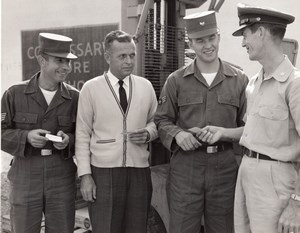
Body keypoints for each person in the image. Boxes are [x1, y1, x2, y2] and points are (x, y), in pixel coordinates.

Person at [197, 4, 300, 233]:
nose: (243, 43)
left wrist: (297, 203)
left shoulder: (295, 84)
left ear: (261, 33)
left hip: (276, 180)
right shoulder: (253, 83)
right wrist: (223, 132)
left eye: (245, 35)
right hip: (247, 173)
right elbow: (255, 132)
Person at [154, 11, 248, 233]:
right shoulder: (175, 81)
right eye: (200, 40)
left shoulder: (239, 80)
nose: (207, 45)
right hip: (186, 168)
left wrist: (225, 133)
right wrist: (178, 134)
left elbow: (250, 128)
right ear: (190, 43)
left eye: (211, 38)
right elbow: (161, 120)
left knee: (224, 228)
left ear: (218, 37)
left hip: (225, 167)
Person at [75, 30, 158, 233]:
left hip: (139, 171)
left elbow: (157, 122)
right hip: (103, 173)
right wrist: (85, 175)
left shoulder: (146, 86)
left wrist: (148, 133)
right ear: (107, 57)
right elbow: (82, 134)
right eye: (122, 56)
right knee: (106, 228)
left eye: (131, 55)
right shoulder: (91, 88)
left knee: (137, 228)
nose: (129, 61)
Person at [1, 33, 79, 233]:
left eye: (68, 62)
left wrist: (69, 140)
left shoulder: (75, 98)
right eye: (59, 61)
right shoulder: (14, 94)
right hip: (26, 174)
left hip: (61, 175)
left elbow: (85, 136)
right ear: (42, 60)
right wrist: (25, 137)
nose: (65, 67)